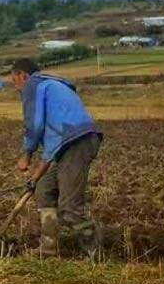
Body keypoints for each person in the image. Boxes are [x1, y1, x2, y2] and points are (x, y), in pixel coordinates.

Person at [9, 58, 103, 256]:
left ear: (22, 76)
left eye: (14, 80)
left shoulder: (33, 85)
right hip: (69, 142)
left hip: (77, 142)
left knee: (70, 209)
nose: (15, 87)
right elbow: (52, 146)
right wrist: (34, 178)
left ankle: (96, 252)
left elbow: (34, 126)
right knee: (44, 189)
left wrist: (26, 155)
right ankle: (49, 248)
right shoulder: (51, 85)